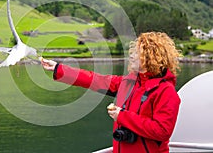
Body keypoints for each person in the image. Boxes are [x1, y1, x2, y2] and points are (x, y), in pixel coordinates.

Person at [40, 32, 181, 153]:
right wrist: (58, 68)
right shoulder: (129, 82)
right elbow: (95, 80)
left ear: (151, 57)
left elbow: (162, 131)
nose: (131, 56)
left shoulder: (166, 92)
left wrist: (122, 116)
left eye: (136, 53)